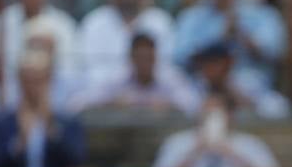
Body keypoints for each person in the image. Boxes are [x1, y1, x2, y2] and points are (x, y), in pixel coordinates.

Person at [173, 0, 286, 99]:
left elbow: (275, 53)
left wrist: (241, 34)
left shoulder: (261, 13)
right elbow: (179, 58)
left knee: (276, 108)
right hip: (202, 87)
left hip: (251, 87)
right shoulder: (192, 16)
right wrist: (220, 38)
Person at [0, 48, 84, 167]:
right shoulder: (0, 123)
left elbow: (76, 163)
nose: (33, 86)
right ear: (20, 80)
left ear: (50, 80)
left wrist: (51, 129)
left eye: (39, 79)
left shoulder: (68, 123)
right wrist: (19, 143)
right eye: (28, 80)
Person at [78, 0, 174, 89]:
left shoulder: (160, 21)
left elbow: (167, 66)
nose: (128, 0)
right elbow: (89, 68)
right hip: (104, 94)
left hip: (153, 90)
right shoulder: (95, 22)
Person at [149, 92, 280, 167]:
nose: (210, 118)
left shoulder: (250, 144)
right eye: (206, 113)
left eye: (216, 113)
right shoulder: (178, 142)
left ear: (230, 116)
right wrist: (195, 151)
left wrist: (232, 154)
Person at [71, 32, 199, 115]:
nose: (144, 63)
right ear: (131, 58)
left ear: (155, 57)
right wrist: (110, 103)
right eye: (140, 57)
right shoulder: (116, 78)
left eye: (148, 57)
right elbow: (77, 103)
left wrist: (169, 104)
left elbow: (193, 104)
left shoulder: (170, 77)